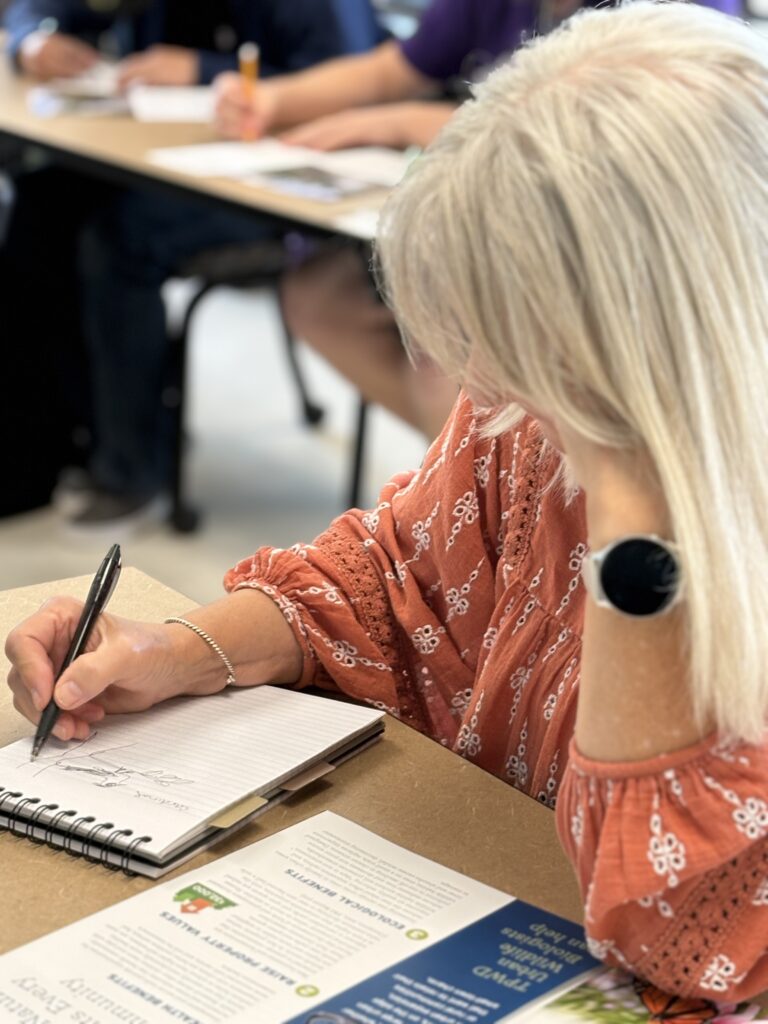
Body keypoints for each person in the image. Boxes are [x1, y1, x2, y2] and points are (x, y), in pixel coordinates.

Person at [7, 0, 768, 1002]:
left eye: (532, 351)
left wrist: (630, 495)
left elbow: (686, 937)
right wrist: (177, 650)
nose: (485, 390)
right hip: (488, 893)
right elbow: (388, 580)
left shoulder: (633, 456)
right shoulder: (528, 418)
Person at [214, 0, 742, 442]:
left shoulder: (683, 15)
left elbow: (610, 135)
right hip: (491, 244)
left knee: (452, 368)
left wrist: (403, 121)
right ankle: (478, 475)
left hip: (623, 270)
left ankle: (494, 475)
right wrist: (273, 100)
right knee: (323, 298)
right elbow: (391, 70)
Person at [1, 0, 384, 529]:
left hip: (279, 180)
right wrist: (31, 39)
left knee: (117, 243)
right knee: (44, 205)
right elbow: (43, 6)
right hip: (162, 151)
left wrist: (204, 71)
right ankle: (63, 436)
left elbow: (353, 83)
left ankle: (132, 468)